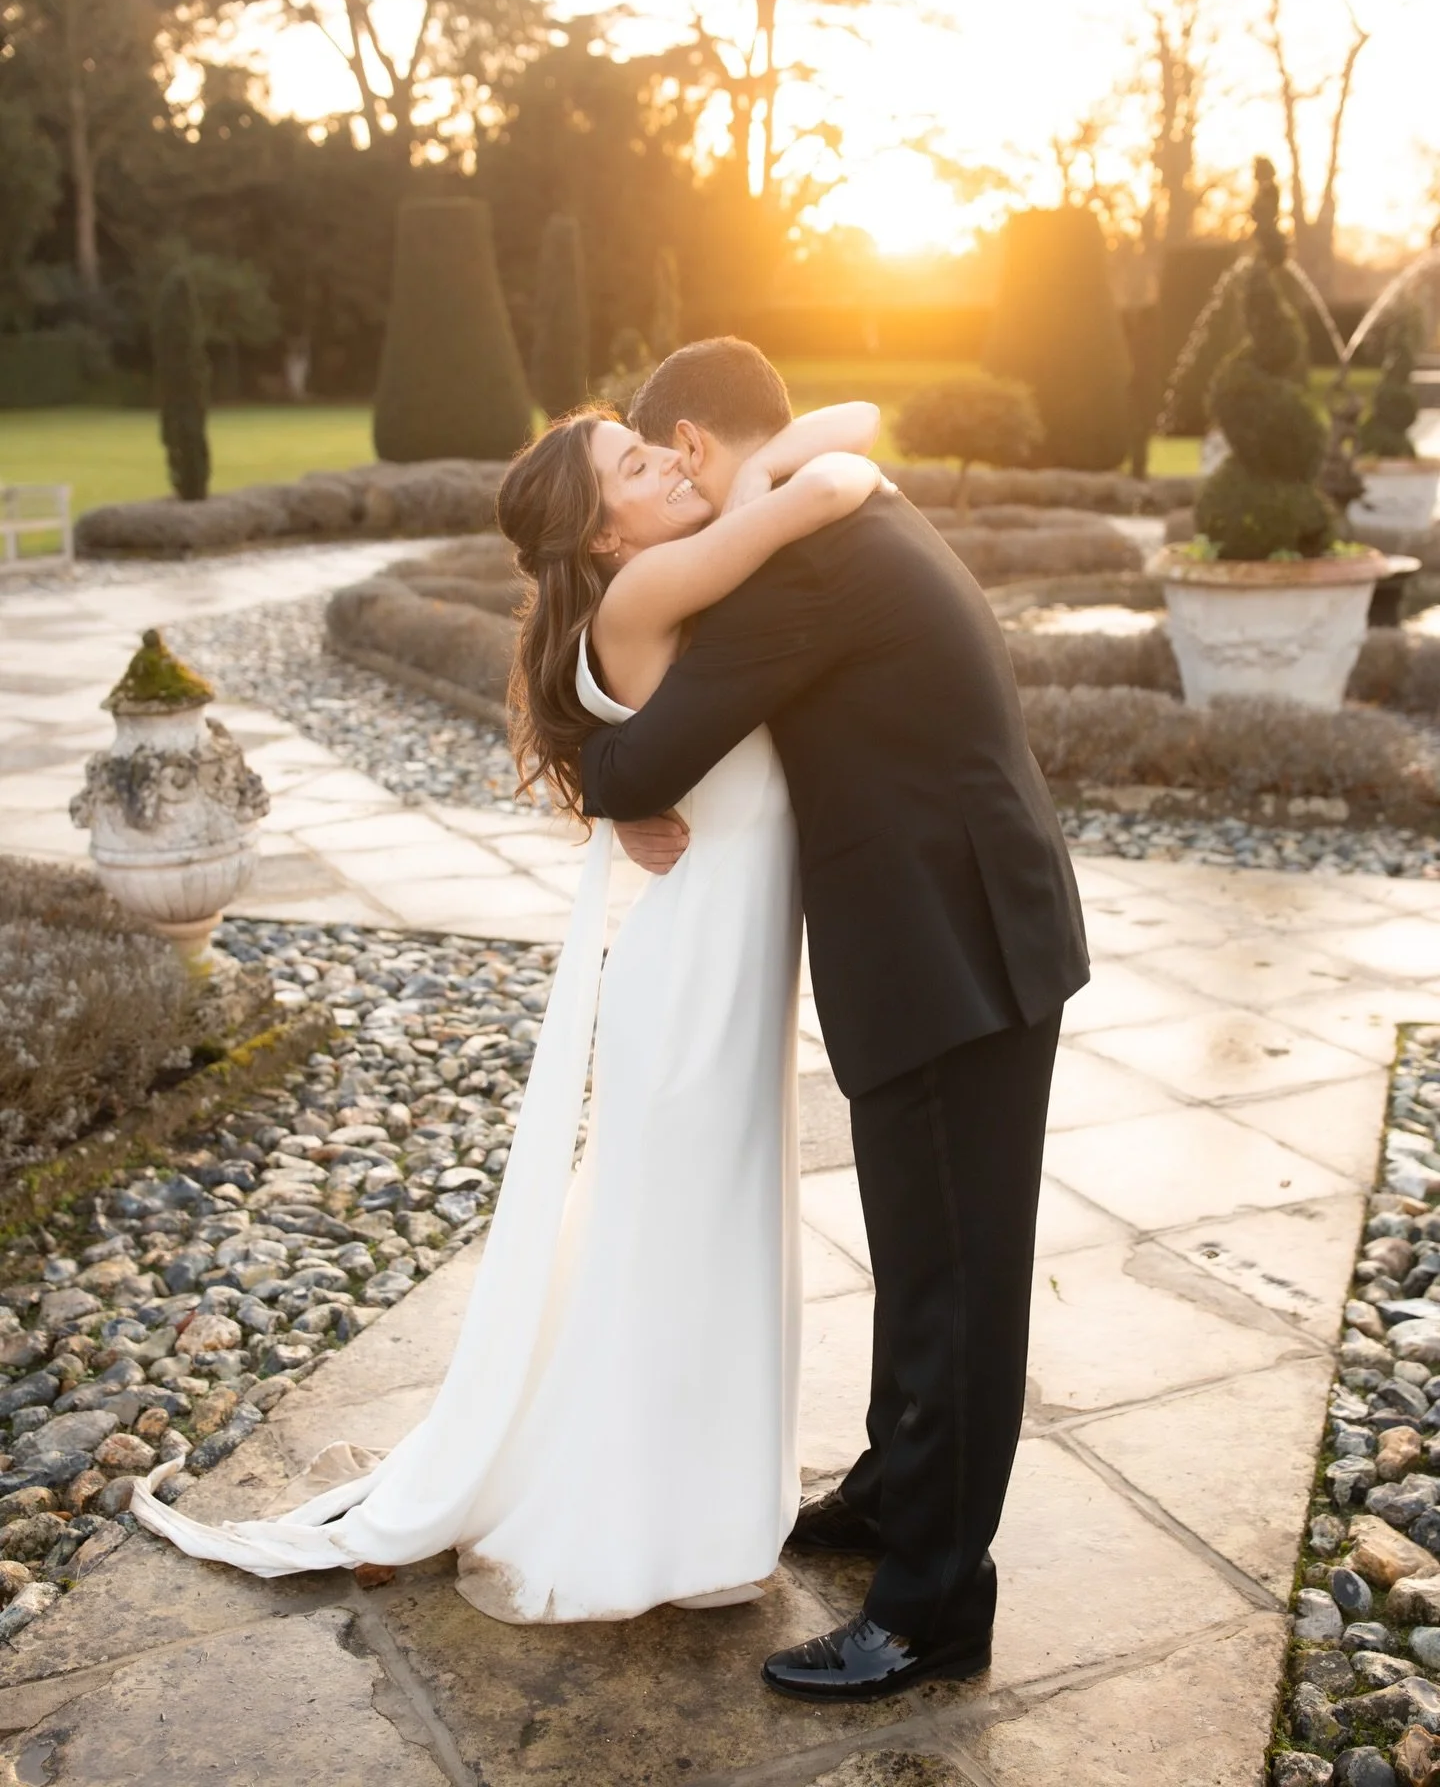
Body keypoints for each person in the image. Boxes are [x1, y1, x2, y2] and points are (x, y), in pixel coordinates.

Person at [128, 392, 884, 1624]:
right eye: (641, 463)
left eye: (661, 444)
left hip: (729, 982)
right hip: (693, 992)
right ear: (601, 537)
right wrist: (759, 483)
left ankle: (700, 1514)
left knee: (702, 1249)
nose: (671, 461)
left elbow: (844, 418)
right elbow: (838, 477)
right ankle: (651, 1525)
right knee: (681, 1256)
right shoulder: (649, 598)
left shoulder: (669, 581)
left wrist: (730, 479)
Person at [581, 337, 1089, 1703]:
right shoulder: (837, 493)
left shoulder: (798, 559)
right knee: (927, 1258)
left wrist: (604, 767)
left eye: (655, 458)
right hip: (963, 929)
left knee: (957, 1284)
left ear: (692, 447)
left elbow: (639, 754)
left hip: (951, 952)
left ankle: (932, 1608)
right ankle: (890, 1492)